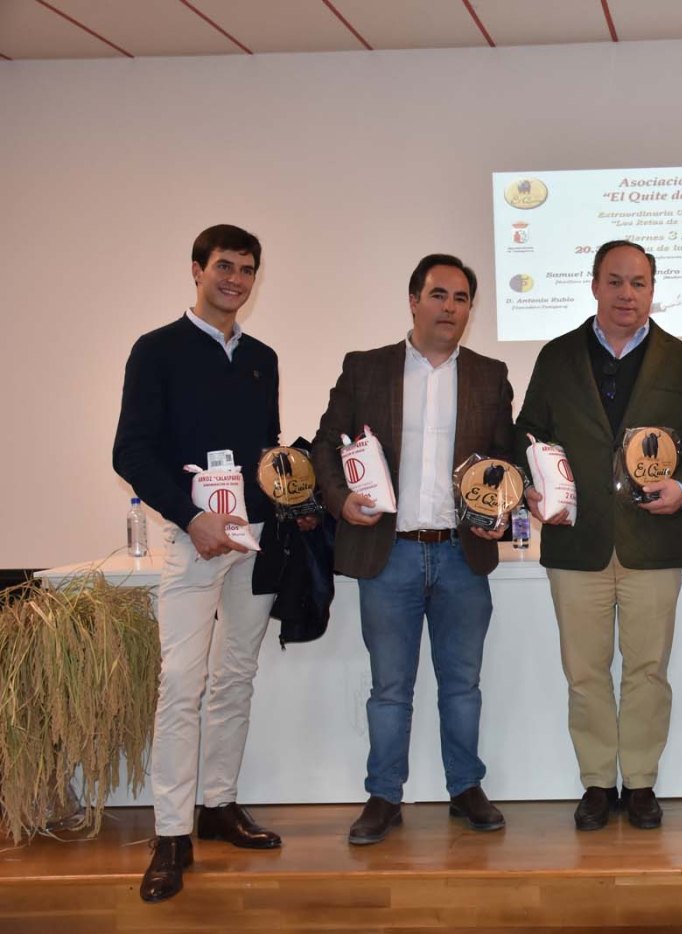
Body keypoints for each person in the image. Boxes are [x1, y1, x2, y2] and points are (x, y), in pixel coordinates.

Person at [311, 254, 515, 845]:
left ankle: (466, 788)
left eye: (461, 298)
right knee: (389, 688)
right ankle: (383, 796)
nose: (450, 307)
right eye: (438, 294)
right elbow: (325, 445)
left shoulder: (489, 375)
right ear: (413, 300)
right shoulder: (366, 368)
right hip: (389, 552)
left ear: (471, 309)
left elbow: (504, 459)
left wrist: (499, 512)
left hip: (460, 554)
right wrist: (339, 499)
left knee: (463, 684)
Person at [114, 224, 285, 902]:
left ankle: (218, 804)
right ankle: (171, 833)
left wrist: (290, 487)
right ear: (197, 270)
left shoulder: (262, 357)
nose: (235, 279)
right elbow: (131, 451)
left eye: (246, 269)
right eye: (224, 266)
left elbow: (264, 446)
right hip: (192, 540)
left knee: (236, 676)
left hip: (254, 538)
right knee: (181, 683)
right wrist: (191, 517)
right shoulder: (155, 350)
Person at [515, 240, 682, 830]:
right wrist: (532, 487)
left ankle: (641, 782)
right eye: (616, 281)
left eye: (639, 283)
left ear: (653, 289)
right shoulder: (556, 356)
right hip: (577, 540)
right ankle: (598, 782)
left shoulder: (681, 360)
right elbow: (528, 433)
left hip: (655, 539)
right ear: (595, 285)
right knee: (585, 671)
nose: (627, 294)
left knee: (648, 669)